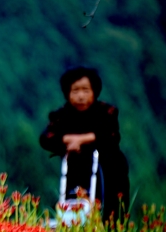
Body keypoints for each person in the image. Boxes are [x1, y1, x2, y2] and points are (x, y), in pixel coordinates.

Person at [40, 67, 130, 223]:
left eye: (85, 90)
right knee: (76, 213)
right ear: (67, 93)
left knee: (111, 215)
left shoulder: (105, 112)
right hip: (76, 173)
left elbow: (111, 135)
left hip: (109, 172)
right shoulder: (62, 116)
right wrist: (68, 140)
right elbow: (46, 138)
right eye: (75, 91)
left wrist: (81, 140)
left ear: (95, 91)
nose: (80, 96)